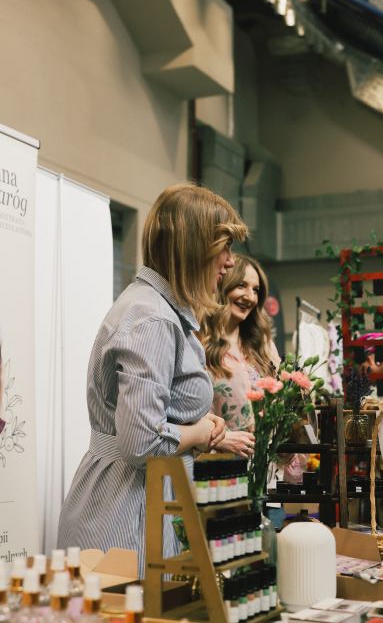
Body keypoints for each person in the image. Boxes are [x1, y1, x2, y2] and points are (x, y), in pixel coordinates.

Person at [57, 184, 248, 574]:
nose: (230, 262)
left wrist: (199, 424)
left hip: (137, 499)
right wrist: (198, 432)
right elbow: (141, 441)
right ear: (195, 247)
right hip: (128, 510)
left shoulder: (155, 308)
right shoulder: (153, 319)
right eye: (224, 247)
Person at [201, 254, 280, 458]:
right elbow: (187, 415)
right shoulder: (199, 344)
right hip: (219, 465)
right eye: (241, 286)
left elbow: (279, 402)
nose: (250, 297)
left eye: (256, 290)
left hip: (264, 466)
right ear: (222, 285)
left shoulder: (263, 345)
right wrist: (220, 439)